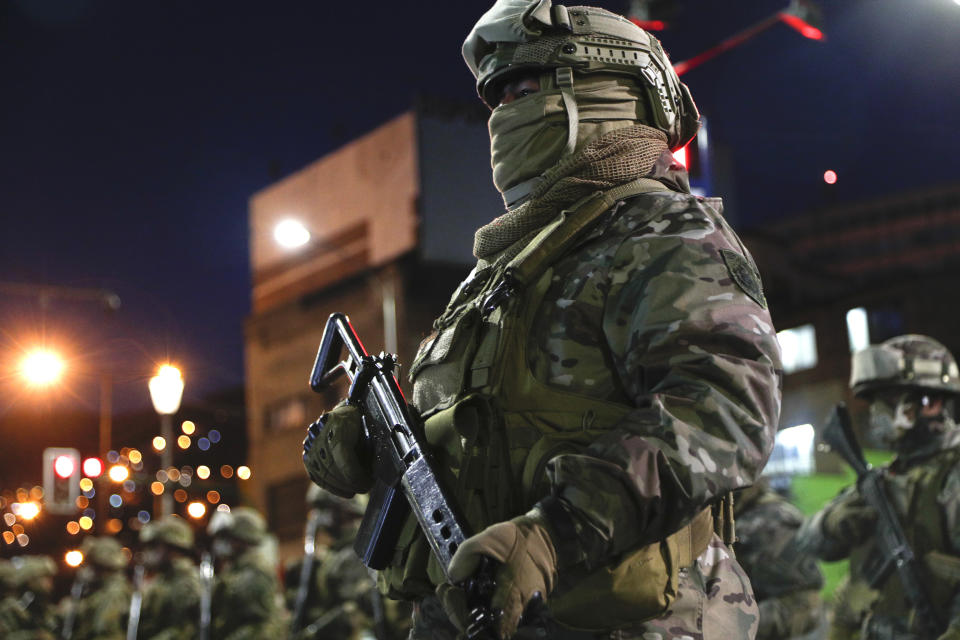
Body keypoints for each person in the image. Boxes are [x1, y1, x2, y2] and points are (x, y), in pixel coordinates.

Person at [302, 1, 782, 638]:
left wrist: (552, 536)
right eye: (496, 95)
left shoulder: (663, 231)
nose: (504, 111)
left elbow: (725, 410)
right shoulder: (502, 270)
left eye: (526, 87)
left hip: (632, 620)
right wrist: (371, 445)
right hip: (474, 612)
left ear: (606, 91)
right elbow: (479, 430)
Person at [797, 335, 960, 640]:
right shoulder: (885, 478)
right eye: (873, 402)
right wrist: (832, 524)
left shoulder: (953, 475)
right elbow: (809, 543)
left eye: (888, 399)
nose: (876, 414)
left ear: (930, 403)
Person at [286, 485, 412, 640]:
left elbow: (354, 609)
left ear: (345, 511)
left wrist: (314, 633)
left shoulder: (358, 552)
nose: (320, 517)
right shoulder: (334, 555)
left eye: (326, 509)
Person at [734, 479, 825, 639]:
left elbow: (805, 605)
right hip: (803, 611)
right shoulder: (769, 508)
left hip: (790, 619)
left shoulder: (760, 523)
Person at [207, 506, 287, 640]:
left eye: (226, 537)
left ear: (242, 539)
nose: (219, 543)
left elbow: (260, 625)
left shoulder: (255, 572)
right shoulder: (233, 572)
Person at [137, 515, 203, 640]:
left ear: (173, 548)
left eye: (154, 546)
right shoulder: (162, 580)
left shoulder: (187, 582)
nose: (148, 551)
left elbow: (184, 630)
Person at [65, 536, 131, 640]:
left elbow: (103, 631)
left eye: (91, 565)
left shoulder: (114, 592)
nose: (86, 570)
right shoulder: (98, 590)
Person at [0, 555, 59, 639]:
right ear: (32, 580)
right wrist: (35, 636)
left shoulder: (43, 609)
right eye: (45, 578)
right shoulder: (11, 608)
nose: (50, 584)